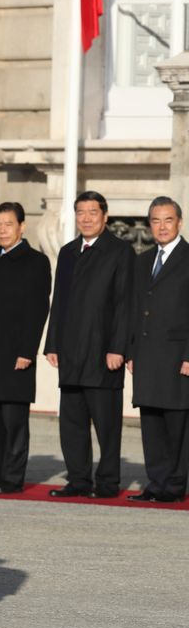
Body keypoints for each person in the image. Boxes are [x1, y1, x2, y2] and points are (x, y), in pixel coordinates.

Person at [44, 191, 133, 499]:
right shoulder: (68, 252)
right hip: (70, 352)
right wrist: (52, 343)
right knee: (72, 423)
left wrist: (119, 348)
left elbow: (125, 304)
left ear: (104, 216)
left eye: (92, 212)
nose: (86, 218)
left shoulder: (120, 252)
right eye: (80, 212)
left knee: (107, 425)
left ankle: (107, 482)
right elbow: (60, 302)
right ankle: (78, 480)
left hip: (102, 352)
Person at [0, 202, 51, 494]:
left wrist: (27, 351)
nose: (3, 230)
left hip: (17, 355)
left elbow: (38, 309)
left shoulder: (36, 262)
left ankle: (12, 478)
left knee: (14, 422)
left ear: (21, 226)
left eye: (8, 224)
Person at [127, 196, 189, 502]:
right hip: (147, 356)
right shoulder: (142, 260)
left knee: (177, 424)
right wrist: (130, 350)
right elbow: (135, 308)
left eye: (167, 220)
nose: (161, 226)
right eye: (155, 220)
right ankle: (156, 482)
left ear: (179, 222)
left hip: (178, 356)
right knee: (151, 422)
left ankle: (175, 486)